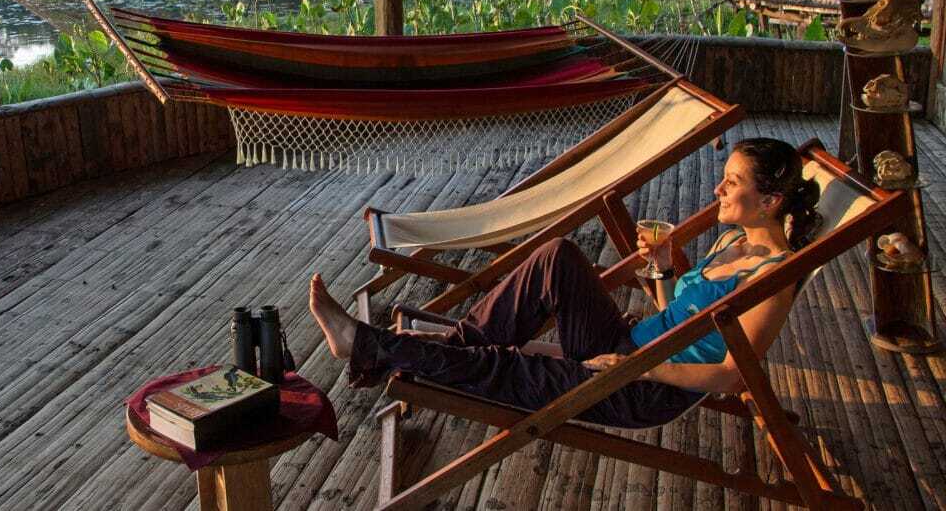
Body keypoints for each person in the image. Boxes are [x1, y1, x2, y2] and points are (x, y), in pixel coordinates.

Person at [308, 138, 822, 428]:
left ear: (771, 202)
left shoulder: (772, 279)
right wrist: (664, 268)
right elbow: (678, 317)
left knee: (506, 367)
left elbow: (731, 375)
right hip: (627, 348)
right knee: (558, 256)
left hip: (641, 387)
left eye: (732, 182)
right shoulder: (730, 244)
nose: (718, 188)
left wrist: (634, 368)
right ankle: (445, 351)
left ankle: (367, 344)